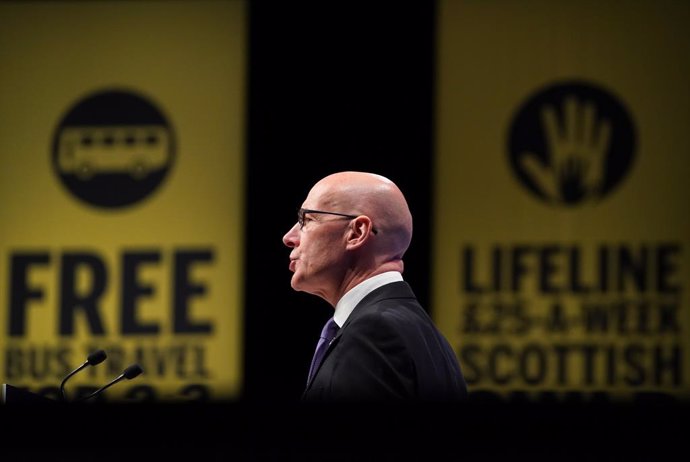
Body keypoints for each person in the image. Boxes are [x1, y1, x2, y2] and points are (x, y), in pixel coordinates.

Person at [282, 171, 468, 402]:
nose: (289, 237)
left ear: (356, 233)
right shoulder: (427, 338)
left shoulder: (373, 333)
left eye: (307, 220)